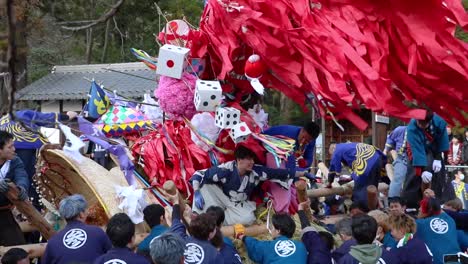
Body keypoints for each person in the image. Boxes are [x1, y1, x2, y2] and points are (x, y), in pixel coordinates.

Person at [190, 146, 309, 225]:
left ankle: (215, 221)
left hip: (239, 204)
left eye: (252, 159)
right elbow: (199, 174)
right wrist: (196, 192)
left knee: (248, 219)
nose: (252, 162)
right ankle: (198, 217)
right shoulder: (225, 169)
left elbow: (279, 173)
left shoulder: (256, 172)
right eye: (248, 159)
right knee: (204, 187)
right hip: (222, 198)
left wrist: (303, 173)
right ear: (238, 160)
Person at [402, 111, 453, 209]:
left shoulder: (439, 122)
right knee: (414, 175)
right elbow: (417, 149)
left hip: (435, 148)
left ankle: (437, 202)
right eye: (419, 122)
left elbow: (442, 139)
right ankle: (410, 204)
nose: (420, 125)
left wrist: (438, 158)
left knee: (438, 173)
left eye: (423, 123)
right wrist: (424, 169)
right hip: (417, 151)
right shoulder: (412, 127)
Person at [41, 194, 112, 264]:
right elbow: (113, 256)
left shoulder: (53, 242)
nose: (88, 212)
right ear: (81, 214)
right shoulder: (97, 232)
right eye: (86, 210)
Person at [169, 195, 222, 264]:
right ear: (210, 234)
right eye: (215, 228)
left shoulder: (181, 239)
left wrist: (175, 203)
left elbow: (176, 221)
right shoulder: (214, 255)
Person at [240, 213, 307, 264]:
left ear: (278, 231)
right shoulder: (301, 246)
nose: (270, 230)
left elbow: (255, 246)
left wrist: (243, 237)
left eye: (272, 228)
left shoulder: (269, 246)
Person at [0, 131, 28, 246]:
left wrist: (21, 188)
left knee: (18, 247)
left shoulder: (15, 160)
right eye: (10, 147)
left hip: (5, 212)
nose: (14, 149)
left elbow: (21, 175)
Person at [415, 196, 460, 264]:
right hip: (456, 260)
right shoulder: (450, 220)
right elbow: (440, 210)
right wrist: (433, 200)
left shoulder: (420, 224)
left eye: (421, 207)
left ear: (429, 209)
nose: (419, 209)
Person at [384, 126, 407, 197]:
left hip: (414, 159)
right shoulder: (400, 130)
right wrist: (385, 153)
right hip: (400, 158)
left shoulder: (420, 132)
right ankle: (393, 201)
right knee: (397, 177)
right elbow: (388, 145)